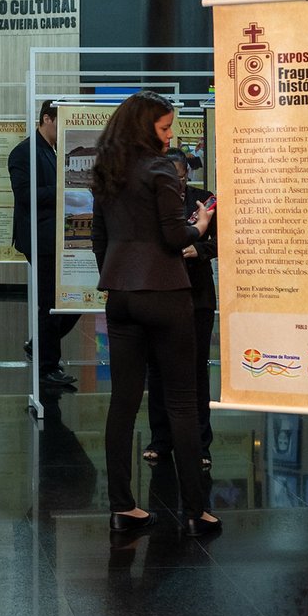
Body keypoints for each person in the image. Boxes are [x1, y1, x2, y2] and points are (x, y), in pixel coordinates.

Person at [90, 91, 218, 538]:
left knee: (123, 402)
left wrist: (119, 273)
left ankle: (123, 507)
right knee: (182, 401)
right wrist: (199, 225)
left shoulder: (108, 169)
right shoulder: (160, 169)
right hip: (164, 293)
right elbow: (172, 237)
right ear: (146, 128)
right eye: (164, 128)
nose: (170, 136)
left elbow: (99, 241)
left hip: (120, 294)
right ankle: (197, 510)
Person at [144, 148, 216, 476]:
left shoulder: (207, 200)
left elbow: (223, 241)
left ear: (188, 173)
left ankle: (201, 445)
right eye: (169, 178)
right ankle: (161, 440)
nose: (177, 184)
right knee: (158, 369)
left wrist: (198, 249)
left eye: (181, 177)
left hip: (196, 295)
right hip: (160, 294)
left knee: (196, 370)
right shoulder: (150, 202)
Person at [8, 99, 75, 387]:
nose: (64, 130)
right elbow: (26, 196)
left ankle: (40, 346)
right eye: (61, 122)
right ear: (47, 118)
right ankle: (47, 366)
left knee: (71, 300)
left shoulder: (51, 150)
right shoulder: (24, 152)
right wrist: (65, 188)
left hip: (55, 237)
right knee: (51, 301)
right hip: (40, 237)